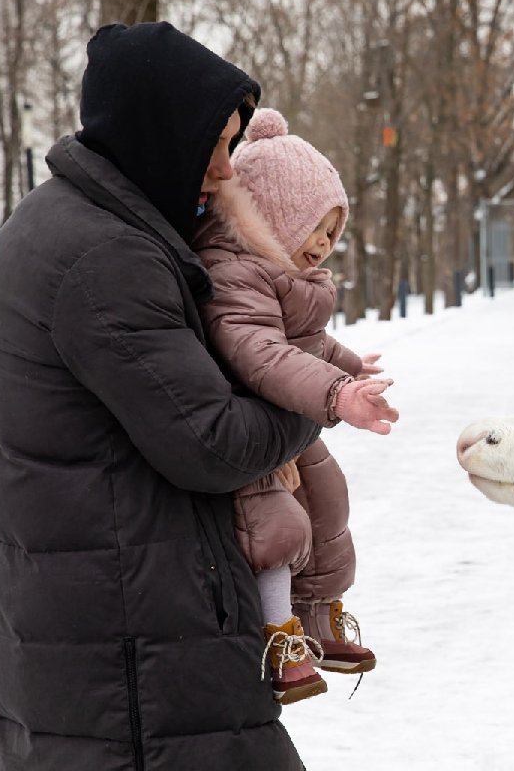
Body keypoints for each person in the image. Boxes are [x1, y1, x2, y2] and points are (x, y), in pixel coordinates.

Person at [0, 23, 321, 770]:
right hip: (136, 660)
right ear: (160, 134)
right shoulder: (105, 255)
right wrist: (307, 381)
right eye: (214, 145)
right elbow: (214, 443)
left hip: (95, 639)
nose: (226, 172)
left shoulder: (62, 221)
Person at [192, 108, 397, 704]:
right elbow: (259, 351)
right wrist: (336, 393)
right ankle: (277, 631)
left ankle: (315, 615)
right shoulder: (233, 272)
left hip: (289, 422)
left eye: (334, 232)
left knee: (330, 500)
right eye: (315, 228)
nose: (325, 245)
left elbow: (308, 343)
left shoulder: (285, 275)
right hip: (246, 426)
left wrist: (350, 365)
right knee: (276, 525)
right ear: (274, 218)